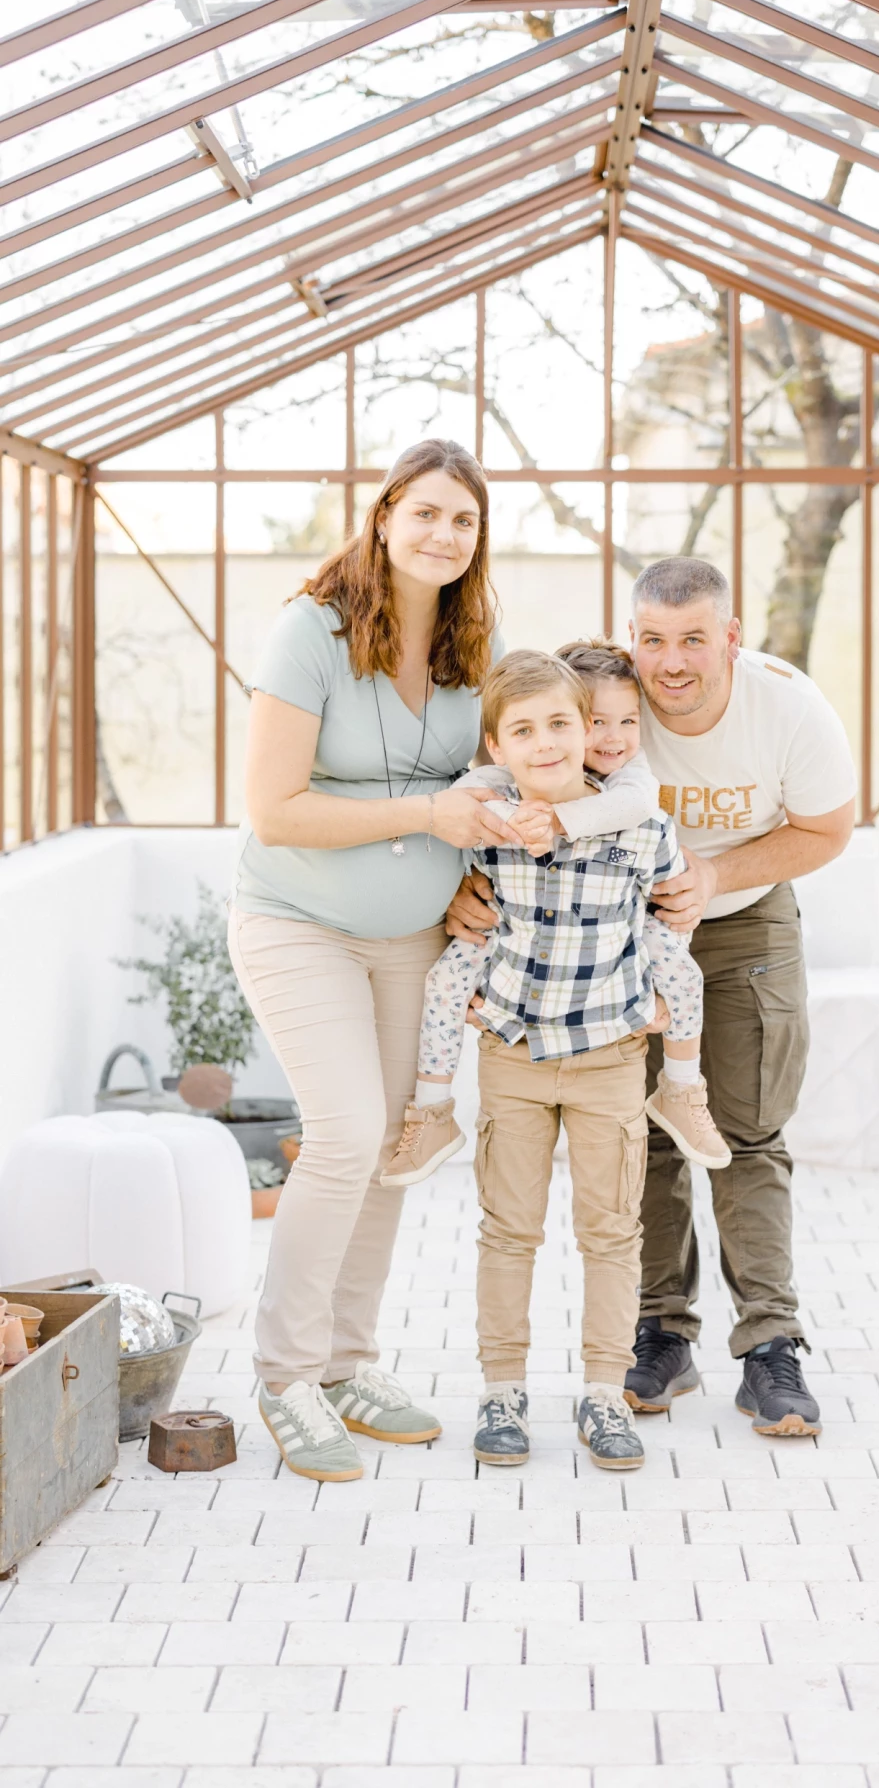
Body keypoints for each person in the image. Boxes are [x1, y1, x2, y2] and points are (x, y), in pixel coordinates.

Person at [446, 557, 855, 1438]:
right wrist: (459, 890)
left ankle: (771, 1347)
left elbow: (828, 829)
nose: (673, 662)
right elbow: (505, 763)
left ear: (731, 640)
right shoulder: (598, 699)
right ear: (631, 638)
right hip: (613, 940)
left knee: (744, 1130)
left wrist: (713, 874)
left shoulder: (788, 708)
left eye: (695, 640)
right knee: (640, 1138)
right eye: (655, 639)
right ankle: (660, 1331)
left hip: (743, 918)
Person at [229, 437, 512, 1484]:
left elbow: (493, 783)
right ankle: (284, 1375)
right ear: (385, 516)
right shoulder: (311, 630)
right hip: (298, 922)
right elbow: (275, 809)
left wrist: (473, 875)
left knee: (394, 1144)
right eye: (427, 512)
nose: (444, 534)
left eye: (465, 520)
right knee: (346, 1132)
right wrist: (429, 813)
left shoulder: (472, 641)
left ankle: (348, 1364)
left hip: (417, 939)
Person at [381, 638, 729, 1189]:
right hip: (511, 948)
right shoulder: (520, 769)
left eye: (628, 722)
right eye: (598, 720)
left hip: (618, 963)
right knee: (444, 982)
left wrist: (650, 984)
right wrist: (501, 821)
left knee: (685, 975)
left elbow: (645, 840)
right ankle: (431, 1111)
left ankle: (684, 1089)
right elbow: (471, 793)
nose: (612, 739)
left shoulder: (633, 787)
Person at [457, 649, 687, 1471]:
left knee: (610, 1230)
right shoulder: (487, 827)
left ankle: (601, 1393)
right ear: (497, 744)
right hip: (513, 1055)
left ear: (585, 731)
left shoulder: (642, 824)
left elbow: (669, 915)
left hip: (610, 1059)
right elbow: (460, 915)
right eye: (525, 729)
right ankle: (502, 1390)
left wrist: (662, 1001)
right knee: (509, 1229)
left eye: (562, 723)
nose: (548, 742)